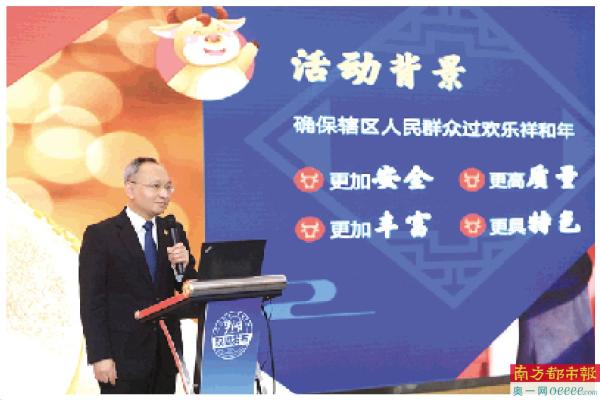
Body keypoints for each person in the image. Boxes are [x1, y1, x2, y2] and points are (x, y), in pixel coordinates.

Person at [79, 157, 198, 394]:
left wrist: (184, 266)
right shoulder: (101, 235)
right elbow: (92, 302)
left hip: (165, 354)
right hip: (121, 358)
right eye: (155, 186)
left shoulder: (173, 231)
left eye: (168, 187)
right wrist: (100, 356)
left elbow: (187, 287)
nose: (164, 194)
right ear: (130, 188)